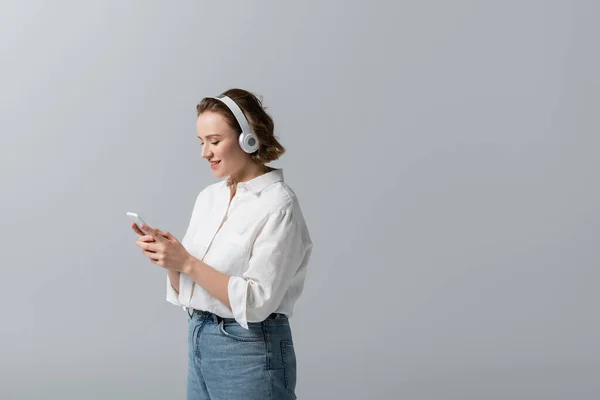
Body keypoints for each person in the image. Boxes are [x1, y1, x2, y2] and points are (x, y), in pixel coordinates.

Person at [130, 88, 313, 399]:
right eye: (202, 143)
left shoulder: (278, 204)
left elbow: (256, 302)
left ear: (249, 139)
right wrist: (170, 259)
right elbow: (191, 289)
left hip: (250, 347)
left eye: (214, 141)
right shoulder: (209, 198)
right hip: (200, 336)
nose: (205, 152)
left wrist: (186, 262)